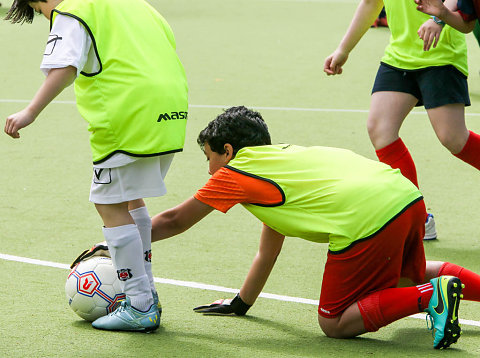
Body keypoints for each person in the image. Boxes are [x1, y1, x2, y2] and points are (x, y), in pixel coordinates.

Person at [150, 106, 480, 349]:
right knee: (409, 275)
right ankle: (436, 288)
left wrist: (121, 238)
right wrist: (242, 302)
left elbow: (175, 221)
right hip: (406, 196)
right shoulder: (283, 161)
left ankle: (431, 296)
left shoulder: (235, 173)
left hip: (368, 216)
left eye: (209, 158)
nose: (209, 170)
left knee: (334, 322)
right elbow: (268, 250)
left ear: (227, 151)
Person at [4, 0, 188, 332]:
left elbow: (66, 66)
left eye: (42, 13)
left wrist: (30, 112)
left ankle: (140, 305)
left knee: (107, 202)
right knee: (131, 199)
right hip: (172, 108)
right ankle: (147, 294)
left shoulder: (73, 10)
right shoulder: (133, 5)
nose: (49, 20)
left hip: (128, 112)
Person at [324, 0, 480, 241]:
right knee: (380, 130)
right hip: (399, 56)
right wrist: (343, 49)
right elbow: (370, 3)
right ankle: (418, 218)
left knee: (453, 139)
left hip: (441, 54)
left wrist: (438, 19)